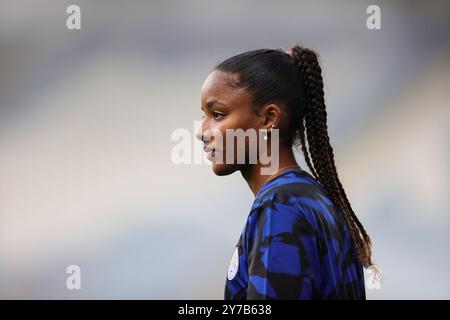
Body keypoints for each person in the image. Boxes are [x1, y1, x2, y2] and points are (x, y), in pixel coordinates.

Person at [196, 44, 372, 299]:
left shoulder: (280, 207)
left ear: (269, 118)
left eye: (218, 114)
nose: (201, 131)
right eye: (204, 115)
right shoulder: (310, 199)